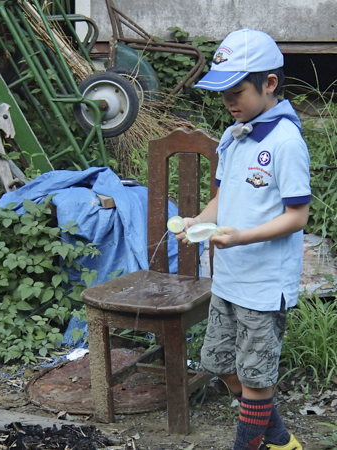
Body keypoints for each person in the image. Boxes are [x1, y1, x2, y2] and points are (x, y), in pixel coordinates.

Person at [176, 29, 310, 450]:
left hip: (264, 284)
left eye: (237, 92)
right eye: (223, 94)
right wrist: (196, 222)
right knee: (218, 363)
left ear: (269, 84)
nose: (229, 103)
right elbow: (222, 197)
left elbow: (297, 216)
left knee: (255, 377)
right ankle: (281, 440)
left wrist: (243, 237)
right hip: (229, 278)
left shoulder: (285, 142)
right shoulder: (234, 136)